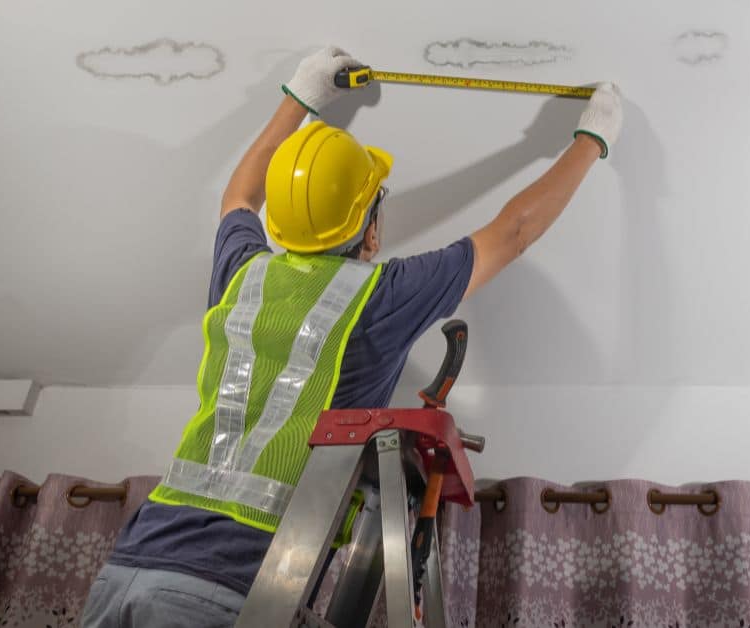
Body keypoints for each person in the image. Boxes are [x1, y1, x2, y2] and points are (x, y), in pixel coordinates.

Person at [81, 45, 622, 627]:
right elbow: (512, 233)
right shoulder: (379, 296)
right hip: (227, 588)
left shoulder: (243, 271)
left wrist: (300, 98)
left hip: (127, 572)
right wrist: (593, 139)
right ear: (369, 231)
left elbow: (238, 195)